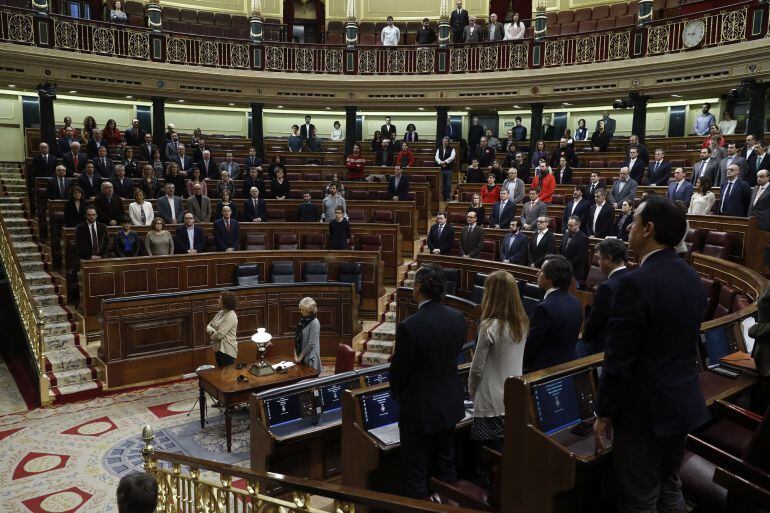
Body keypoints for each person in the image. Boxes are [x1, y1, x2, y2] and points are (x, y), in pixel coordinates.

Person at [594, 195, 710, 513]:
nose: (629, 228)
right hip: (681, 403)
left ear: (648, 229)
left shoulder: (635, 284)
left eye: (634, 222)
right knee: (670, 487)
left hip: (643, 412)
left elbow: (619, 359)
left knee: (640, 499)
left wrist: (604, 413)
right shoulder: (694, 280)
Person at [389, 263, 466, 500]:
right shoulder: (458, 317)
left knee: (416, 472)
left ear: (419, 287)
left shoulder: (410, 326)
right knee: (446, 467)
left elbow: (399, 372)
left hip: (419, 411)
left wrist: (398, 394)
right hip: (450, 404)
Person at [469, 269, 527, 455]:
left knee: (487, 457)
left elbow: (476, 370)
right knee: (506, 454)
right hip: (513, 398)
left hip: (489, 401)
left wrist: (472, 393)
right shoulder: (523, 323)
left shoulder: (488, 327)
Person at [523, 254, 582, 372]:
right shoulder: (576, 302)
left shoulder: (544, 308)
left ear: (550, 278)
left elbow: (532, 344)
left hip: (544, 370)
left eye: (541, 271)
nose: (537, 274)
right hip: (567, 366)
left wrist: (523, 366)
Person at [583, 238, 628, 354]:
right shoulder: (632, 277)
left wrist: (584, 337)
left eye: (600, 258)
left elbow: (595, 321)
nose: (598, 263)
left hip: (604, 347)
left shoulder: (606, 287)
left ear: (609, 259)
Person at [207, 291, 238, 367]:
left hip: (227, 350)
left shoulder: (231, 316)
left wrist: (212, 333)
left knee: (227, 375)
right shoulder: (220, 313)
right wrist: (213, 331)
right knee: (220, 373)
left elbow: (219, 335)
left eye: (220, 299)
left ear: (226, 302)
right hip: (218, 348)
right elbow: (208, 326)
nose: (218, 301)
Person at [294, 297, 321, 372]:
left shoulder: (315, 322)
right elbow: (297, 338)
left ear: (308, 310)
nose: (300, 311)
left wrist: (300, 357)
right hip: (301, 356)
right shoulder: (303, 320)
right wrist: (296, 354)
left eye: (302, 309)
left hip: (310, 358)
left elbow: (311, 344)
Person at [561, 216, 589, 282]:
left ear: (578, 225)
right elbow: (561, 250)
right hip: (564, 268)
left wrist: (567, 266)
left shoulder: (583, 238)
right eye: (568, 225)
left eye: (571, 225)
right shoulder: (565, 234)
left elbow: (580, 256)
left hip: (575, 271)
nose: (568, 227)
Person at [435, 136, 456, 202]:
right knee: (442, 184)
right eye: (443, 141)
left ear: (448, 142)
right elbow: (436, 157)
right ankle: (443, 196)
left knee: (448, 184)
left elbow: (452, 157)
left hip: (448, 169)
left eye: (446, 141)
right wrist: (440, 162)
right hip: (440, 169)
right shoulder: (439, 148)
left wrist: (445, 162)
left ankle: (447, 197)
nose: (444, 142)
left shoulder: (452, 149)